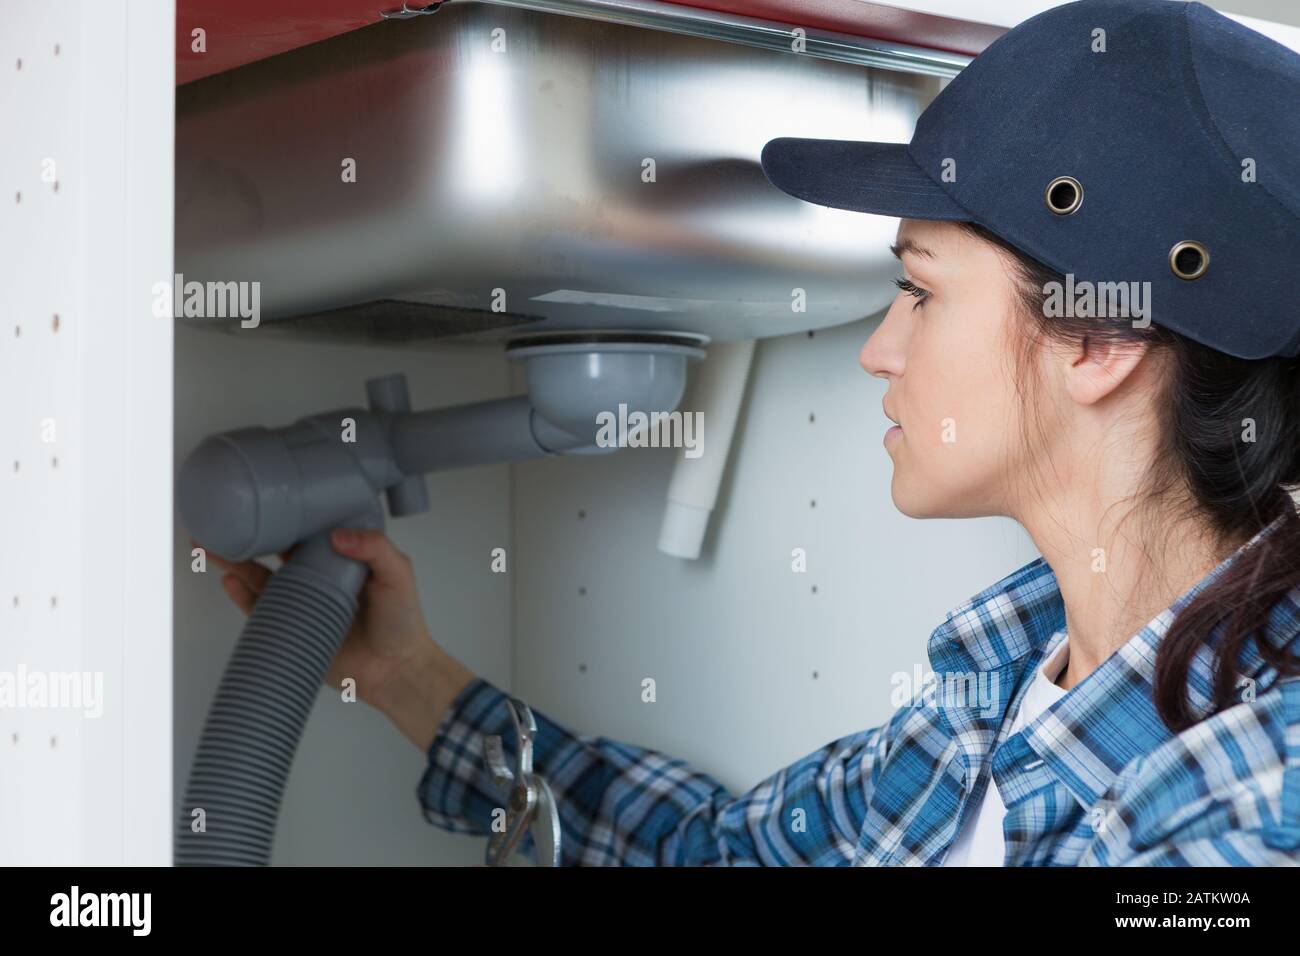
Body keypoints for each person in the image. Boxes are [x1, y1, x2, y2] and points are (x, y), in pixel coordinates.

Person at [210, 0, 1300, 865]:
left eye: (920, 292)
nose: (879, 349)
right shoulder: (1006, 681)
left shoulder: (1248, 808)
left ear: (1096, 340)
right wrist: (413, 676)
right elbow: (716, 853)